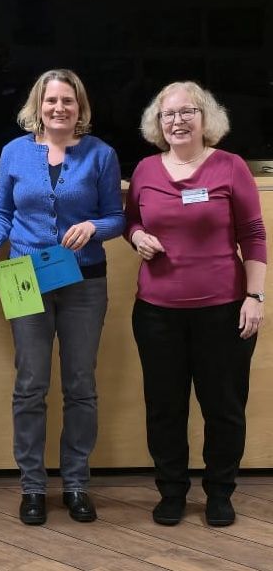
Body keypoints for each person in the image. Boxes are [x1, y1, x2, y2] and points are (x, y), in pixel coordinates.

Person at [0, 69, 124, 525]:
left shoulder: (101, 154)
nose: (59, 108)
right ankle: (33, 487)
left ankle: (77, 483)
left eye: (68, 101)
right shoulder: (14, 153)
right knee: (30, 385)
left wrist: (94, 227)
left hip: (85, 282)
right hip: (24, 276)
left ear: (80, 107)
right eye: (50, 101)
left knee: (80, 385)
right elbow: (2, 210)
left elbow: (116, 218)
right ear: (37, 106)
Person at [125, 81, 266, 527]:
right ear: (157, 122)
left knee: (223, 407)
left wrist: (255, 296)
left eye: (188, 112)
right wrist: (136, 237)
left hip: (223, 310)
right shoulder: (146, 169)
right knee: (164, 407)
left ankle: (220, 493)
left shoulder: (231, 167)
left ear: (207, 118)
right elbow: (132, 220)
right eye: (168, 114)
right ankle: (172, 491)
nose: (178, 121)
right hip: (156, 313)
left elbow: (254, 234)